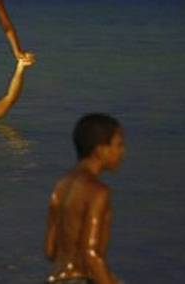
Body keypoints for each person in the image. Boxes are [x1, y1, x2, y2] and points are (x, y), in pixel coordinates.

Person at [45, 113, 125, 284]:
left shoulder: (61, 186)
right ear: (100, 149)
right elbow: (91, 254)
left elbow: (50, 250)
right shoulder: (98, 191)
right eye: (118, 144)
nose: (122, 151)